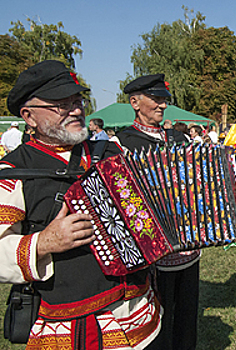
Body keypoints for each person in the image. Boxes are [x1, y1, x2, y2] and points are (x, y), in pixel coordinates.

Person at [0, 60, 161, 349]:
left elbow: (159, 201)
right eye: (61, 104)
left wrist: (227, 196)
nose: (76, 109)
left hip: (137, 309)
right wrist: (43, 243)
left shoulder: (112, 151)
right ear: (29, 116)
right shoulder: (13, 173)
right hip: (74, 324)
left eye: (77, 100)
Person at [116, 74, 236, 350]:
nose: (162, 106)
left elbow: (205, 181)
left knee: (186, 320)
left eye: (164, 100)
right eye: (155, 99)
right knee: (156, 324)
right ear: (135, 102)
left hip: (189, 248)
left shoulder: (179, 139)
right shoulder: (121, 144)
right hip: (152, 255)